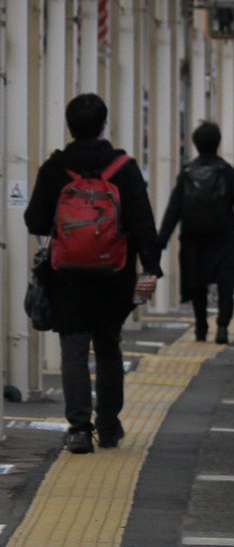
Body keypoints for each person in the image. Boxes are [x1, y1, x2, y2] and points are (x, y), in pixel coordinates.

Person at [24, 93, 162, 454]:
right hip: (114, 273)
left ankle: (80, 429)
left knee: (73, 346)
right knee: (107, 345)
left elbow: (34, 220)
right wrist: (150, 266)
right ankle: (109, 424)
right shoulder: (123, 168)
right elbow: (143, 222)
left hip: (66, 275)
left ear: (70, 126)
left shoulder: (56, 168)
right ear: (104, 124)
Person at [158, 121, 234, 346]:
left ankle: (201, 327)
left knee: (197, 283)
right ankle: (222, 326)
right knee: (225, 283)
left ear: (195, 143)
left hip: (194, 238)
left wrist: (161, 240)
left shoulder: (186, 172)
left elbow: (174, 208)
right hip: (224, 237)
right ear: (217, 143)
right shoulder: (226, 171)